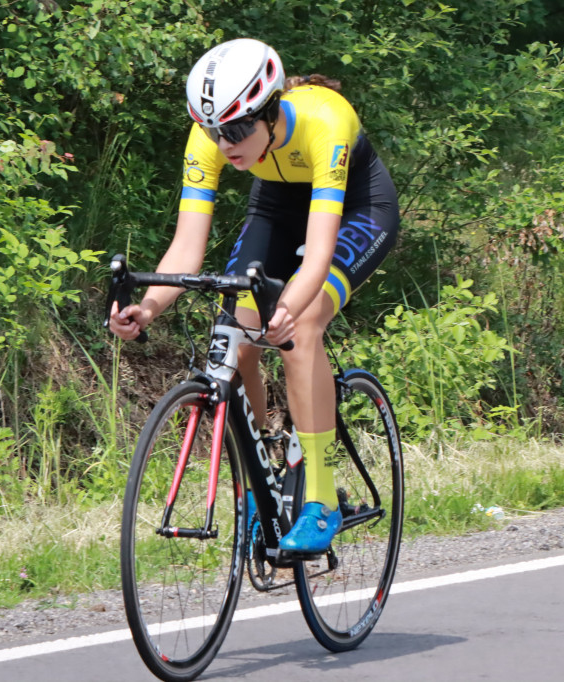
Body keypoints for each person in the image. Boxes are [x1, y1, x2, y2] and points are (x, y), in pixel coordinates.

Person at [108, 38, 399, 553]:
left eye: (238, 129)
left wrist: (287, 309)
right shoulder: (210, 140)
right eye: (215, 131)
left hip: (355, 206)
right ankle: (262, 470)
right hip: (277, 206)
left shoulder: (325, 121)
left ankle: (321, 499)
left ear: (270, 110)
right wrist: (147, 306)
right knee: (237, 332)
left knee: (300, 325)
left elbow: (317, 256)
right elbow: (186, 249)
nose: (225, 144)